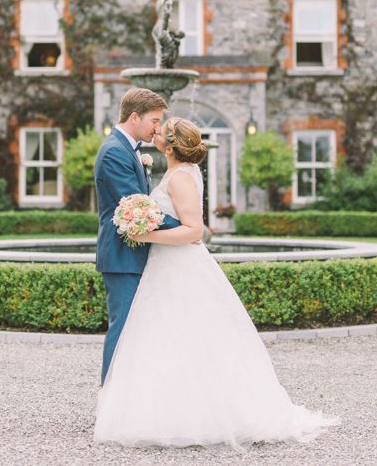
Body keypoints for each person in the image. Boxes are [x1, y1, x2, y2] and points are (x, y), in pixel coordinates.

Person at [94, 117, 339, 449]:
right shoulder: (176, 173)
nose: (156, 132)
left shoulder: (181, 178)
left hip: (178, 266)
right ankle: (168, 410)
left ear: (169, 145)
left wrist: (146, 233)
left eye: (161, 130)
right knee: (166, 339)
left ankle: (198, 415)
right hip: (163, 266)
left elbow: (195, 231)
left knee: (189, 338)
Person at [94, 88, 182, 386]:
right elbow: (135, 207)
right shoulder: (115, 152)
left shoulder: (126, 148)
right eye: (154, 120)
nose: (157, 128)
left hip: (133, 255)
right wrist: (184, 225)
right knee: (123, 330)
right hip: (122, 257)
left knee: (136, 331)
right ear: (134, 117)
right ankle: (110, 401)